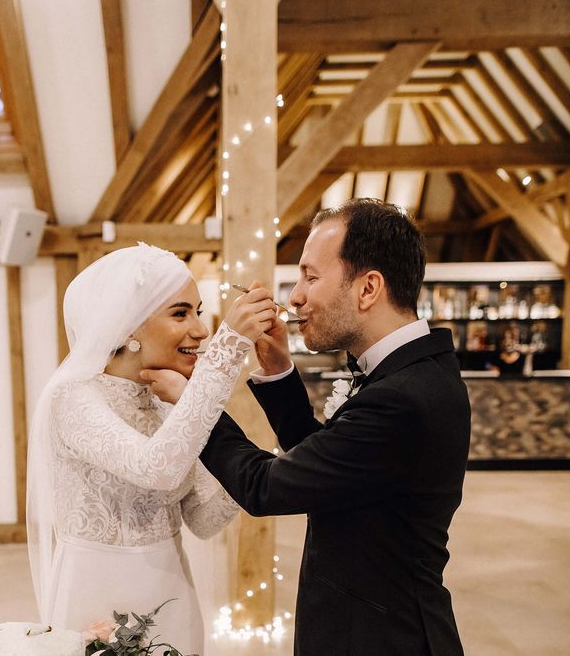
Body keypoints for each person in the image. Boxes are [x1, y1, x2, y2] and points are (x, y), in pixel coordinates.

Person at [154, 200, 470, 654]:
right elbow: (326, 467)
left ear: (368, 289)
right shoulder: (409, 373)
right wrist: (280, 371)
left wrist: (193, 403)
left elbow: (265, 488)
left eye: (310, 276)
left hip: (382, 638)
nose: (295, 296)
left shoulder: (404, 397)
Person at [26, 242, 276, 655]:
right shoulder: (72, 398)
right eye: (181, 313)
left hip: (171, 591)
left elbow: (202, 520)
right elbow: (155, 468)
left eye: (199, 311)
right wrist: (226, 352)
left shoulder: (167, 402)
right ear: (127, 327)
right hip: (98, 596)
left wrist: (270, 459)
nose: (201, 330)